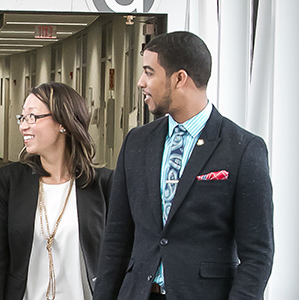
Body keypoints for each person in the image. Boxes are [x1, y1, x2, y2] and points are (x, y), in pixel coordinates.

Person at [94, 31, 274, 300]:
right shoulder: (137, 142)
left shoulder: (243, 149)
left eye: (149, 72)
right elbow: (116, 238)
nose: (141, 82)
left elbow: (258, 254)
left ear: (179, 78)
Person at [0, 82, 113, 300]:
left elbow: (118, 259)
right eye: (21, 117)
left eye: (32, 116)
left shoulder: (103, 184)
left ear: (63, 122)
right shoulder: (10, 181)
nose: (23, 126)